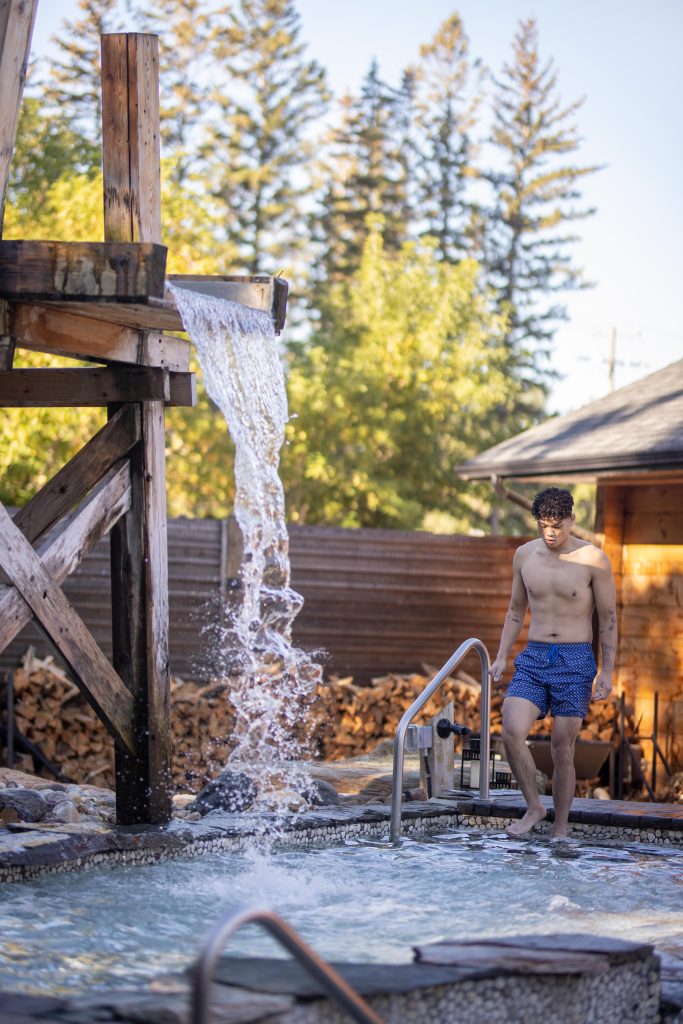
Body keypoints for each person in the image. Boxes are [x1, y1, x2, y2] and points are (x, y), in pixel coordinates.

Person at [489, 487, 617, 838]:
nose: (551, 532)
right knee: (511, 729)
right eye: (544, 524)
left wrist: (607, 670)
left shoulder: (593, 559)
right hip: (534, 656)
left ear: (572, 521)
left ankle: (560, 829)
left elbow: (607, 617)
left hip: (576, 659)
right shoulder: (524, 556)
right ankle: (534, 806)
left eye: (557, 525)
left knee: (563, 746)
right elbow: (516, 610)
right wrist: (502, 654)